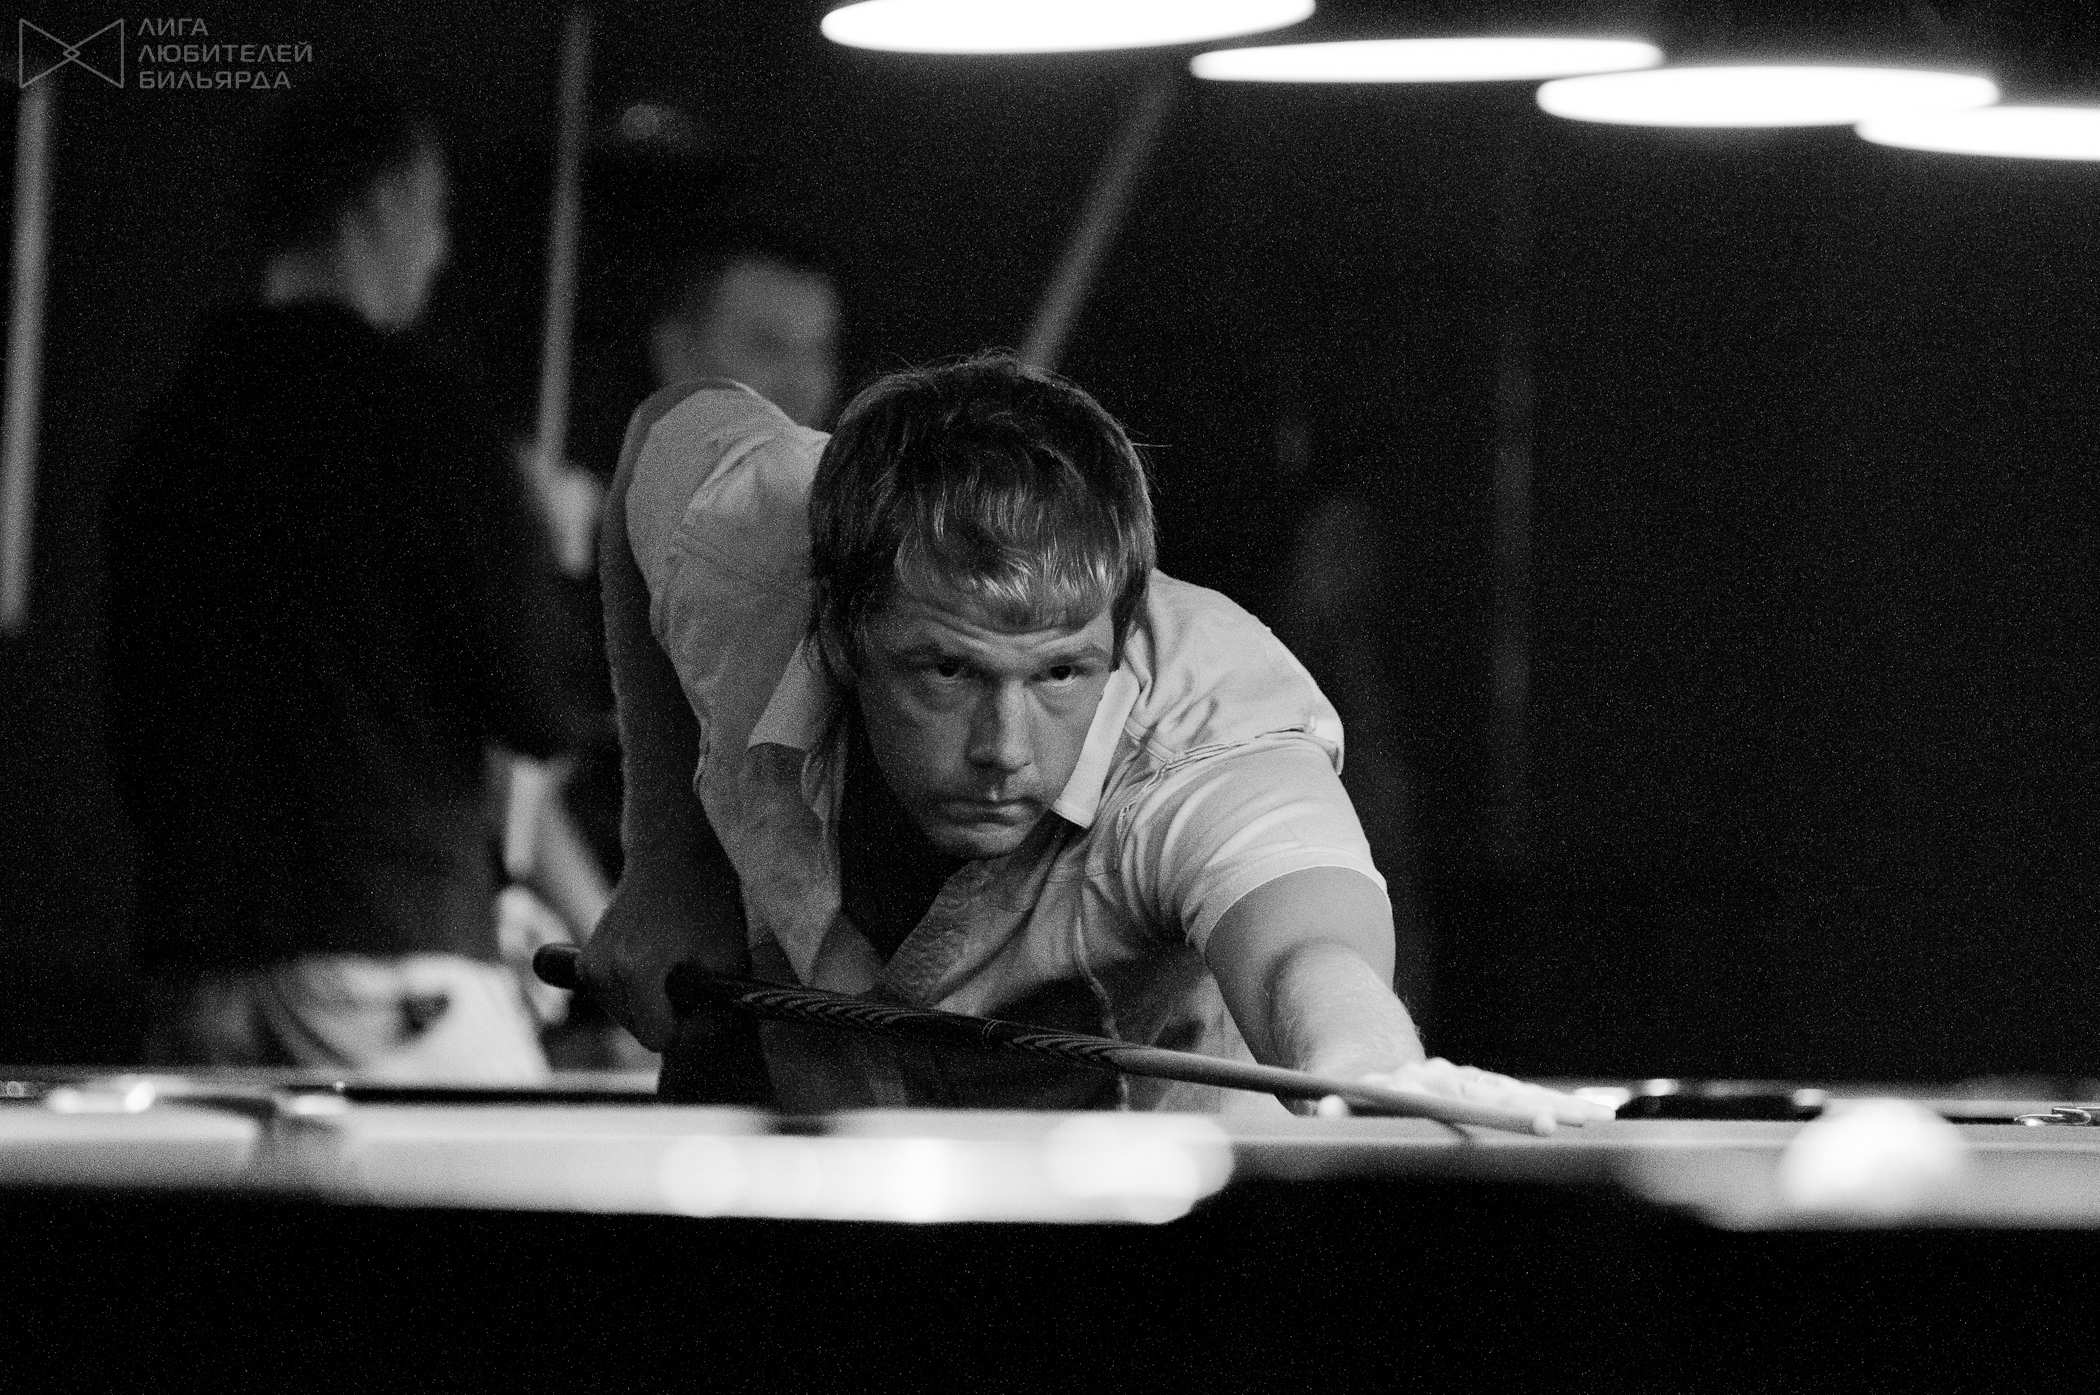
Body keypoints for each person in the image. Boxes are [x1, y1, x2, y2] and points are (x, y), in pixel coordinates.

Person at [583, 351, 1604, 1121]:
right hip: (805, 1153)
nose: (1005, 747)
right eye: (948, 671)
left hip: (1145, 1222)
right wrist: (666, 857)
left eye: (1061, 673)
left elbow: (1308, 949)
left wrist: (1365, 1066)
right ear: (844, 633)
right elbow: (661, 432)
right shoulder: (749, 543)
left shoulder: (1207, 734)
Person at [104, 79, 595, 1080]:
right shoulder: (425, 422)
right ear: (380, 201)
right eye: (435, 212)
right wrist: (553, 546)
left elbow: (136, 725)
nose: (441, 250)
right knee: (549, 1169)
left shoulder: (168, 429)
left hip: (198, 980)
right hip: (385, 965)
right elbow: (541, 704)